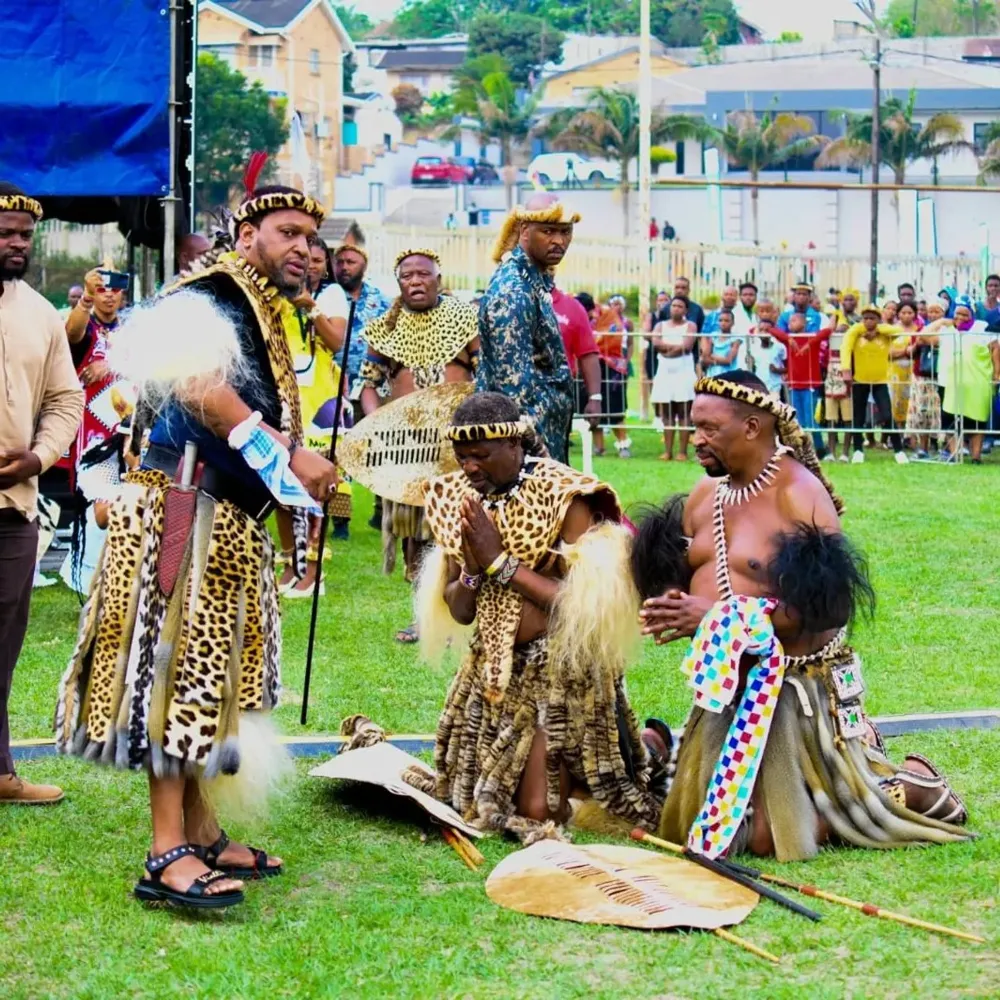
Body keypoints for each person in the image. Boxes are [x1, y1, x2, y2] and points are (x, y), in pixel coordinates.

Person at [56, 180, 340, 909]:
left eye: (311, 239)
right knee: (176, 674)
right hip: (184, 506)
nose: (304, 248)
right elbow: (197, 387)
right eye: (287, 233)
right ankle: (166, 851)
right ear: (247, 237)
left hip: (223, 513)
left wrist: (292, 477)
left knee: (210, 676)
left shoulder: (257, 303)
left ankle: (204, 830)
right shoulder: (212, 291)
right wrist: (289, 453)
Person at [636, 371, 969, 860]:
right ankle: (676, 744)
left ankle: (909, 788)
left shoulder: (798, 494)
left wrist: (718, 616)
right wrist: (668, 600)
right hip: (729, 690)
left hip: (793, 693)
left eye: (709, 429)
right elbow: (690, 569)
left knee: (770, 837)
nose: (696, 439)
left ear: (752, 427)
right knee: (696, 819)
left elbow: (827, 608)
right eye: (694, 426)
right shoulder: (707, 494)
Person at [406, 391, 663, 839]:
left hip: (560, 674)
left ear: (514, 444)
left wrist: (500, 562)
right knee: (477, 800)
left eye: (481, 456)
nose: (470, 468)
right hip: (494, 672)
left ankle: (651, 747)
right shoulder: (455, 498)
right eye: (462, 458)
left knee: (541, 810)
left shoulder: (565, 496)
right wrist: (472, 569)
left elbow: (582, 610)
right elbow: (462, 612)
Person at [0, 184, 84, 806]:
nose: (16, 244)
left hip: (14, 506)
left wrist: (37, 457)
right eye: (5, 233)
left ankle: (0, 771)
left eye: (24, 235)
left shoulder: (39, 313)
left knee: (3, 644)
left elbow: (65, 399)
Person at [359, 248, 479, 643]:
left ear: (438, 280)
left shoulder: (465, 320)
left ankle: (460, 615)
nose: (415, 281)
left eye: (423, 274)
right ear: (399, 283)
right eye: (407, 275)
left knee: (455, 529)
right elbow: (368, 386)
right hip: (407, 445)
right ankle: (423, 615)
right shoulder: (386, 327)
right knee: (414, 534)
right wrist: (379, 422)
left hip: (456, 444)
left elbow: (486, 376)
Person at [477, 194, 579, 463]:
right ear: (524, 230)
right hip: (523, 448)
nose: (559, 241)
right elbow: (514, 389)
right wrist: (537, 452)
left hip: (542, 436)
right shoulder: (513, 289)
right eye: (548, 231)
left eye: (565, 232)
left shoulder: (532, 280)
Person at [274, 237, 350, 595]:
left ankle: (313, 572)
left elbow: (337, 342)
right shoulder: (276, 292)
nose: (311, 264)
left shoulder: (331, 295)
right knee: (281, 486)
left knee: (313, 489)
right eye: (306, 257)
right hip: (284, 399)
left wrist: (310, 308)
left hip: (319, 403)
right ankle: (292, 564)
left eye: (318, 259)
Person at [924, 296, 1000, 465]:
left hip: (978, 382)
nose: (960, 318)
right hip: (950, 383)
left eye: (965, 314)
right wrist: (941, 321)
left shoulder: (982, 327)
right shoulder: (947, 329)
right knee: (950, 419)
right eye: (957, 314)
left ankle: (976, 457)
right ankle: (955, 454)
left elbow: (995, 348)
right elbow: (924, 337)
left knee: (977, 420)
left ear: (972, 313)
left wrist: (997, 373)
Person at [841, 305, 907, 464]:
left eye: (872, 318)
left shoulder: (884, 333)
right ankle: (858, 450)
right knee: (858, 417)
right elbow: (846, 347)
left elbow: (899, 331)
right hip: (860, 380)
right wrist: (846, 369)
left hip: (880, 381)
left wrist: (877, 331)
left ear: (878, 319)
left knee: (887, 415)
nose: (868, 322)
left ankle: (899, 451)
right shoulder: (856, 331)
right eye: (865, 318)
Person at [772, 310, 830, 454]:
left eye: (794, 321)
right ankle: (800, 448)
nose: (790, 324)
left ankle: (820, 448)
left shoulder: (811, 337)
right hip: (794, 385)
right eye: (789, 322)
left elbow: (827, 331)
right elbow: (772, 330)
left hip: (810, 385)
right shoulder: (789, 339)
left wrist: (810, 343)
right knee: (796, 420)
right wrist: (788, 338)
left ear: (804, 323)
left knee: (811, 419)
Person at [585, 295, 632, 459]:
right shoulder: (585, 318)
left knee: (615, 409)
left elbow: (613, 338)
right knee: (593, 407)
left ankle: (623, 445)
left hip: (612, 369)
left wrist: (594, 343)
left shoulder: (608, 316)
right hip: (590, 367)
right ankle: (599, 447)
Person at [651, 296, 697, 460]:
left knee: (684, 412)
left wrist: (668, 349)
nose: (676, 308)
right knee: (667, 413)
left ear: (686, 310)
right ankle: (668, 451)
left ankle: (682, 452)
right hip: (665, 372)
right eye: (673, 305)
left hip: (683, 372)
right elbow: (656, 342)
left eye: (680, 306)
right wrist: (675, 347)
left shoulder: (690, 325)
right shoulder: (660, 325)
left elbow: (687, 346)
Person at [550, 284, 601, 424]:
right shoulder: (506, 299)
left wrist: (595, 398)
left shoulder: (573, 308)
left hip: (557, 398)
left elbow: (588, 353)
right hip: (510, 396)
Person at [908, 301, 945, 459]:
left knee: (938, 413)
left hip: (941, 377)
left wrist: (926, 339)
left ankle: (939, 445)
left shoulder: (948, 330)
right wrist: (919, 342)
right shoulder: (920, 330)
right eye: (931, 311)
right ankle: (923, 447)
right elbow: (911, 350)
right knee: (922, 412)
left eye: (937, 312)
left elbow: (934, 341)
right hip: (922, 377)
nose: (933, 315)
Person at [889, 301, 920, 432]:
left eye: (910, 313)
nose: (906, 315)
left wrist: (912, 351)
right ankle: (895, 433)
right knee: (895, 402)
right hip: (895, 372)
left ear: (915, 314)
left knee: (911, 401)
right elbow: (887, 353)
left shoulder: (919, 330)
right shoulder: (892, 330)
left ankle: (909, 434)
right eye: (903, 312)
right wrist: (906, 351)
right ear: (898, 314)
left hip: (912, 371)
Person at [745, 305, 787, 400]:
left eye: (767, 330)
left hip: (775, 386)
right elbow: (751, 367)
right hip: (759, 386)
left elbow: (788, 368)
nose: (764, 333)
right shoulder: (754, 348)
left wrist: (777, 370)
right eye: (761, 330)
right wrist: (749, 362)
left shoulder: (779, 347)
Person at [642, 291, 671, 423]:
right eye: (660, 300)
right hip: (653, 354)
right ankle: (658, 414)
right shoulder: (651, 316)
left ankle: (669, 413)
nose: (662, 302)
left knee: (669, 384)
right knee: (653, 383)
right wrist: (659, 338)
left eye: (665, 300)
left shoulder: (673, 318)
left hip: (669, 354)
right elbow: (645, 333)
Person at [700, 308, 741, 378]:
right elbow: (705, 358)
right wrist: (719, 360)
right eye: (720, 320)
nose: (723, 323)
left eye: (726, 321)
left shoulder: (735, 338)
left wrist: (712, 356)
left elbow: (728, 361)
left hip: (729, 375)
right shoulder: (714, 336)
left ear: (733, 323)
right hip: (712, 374)